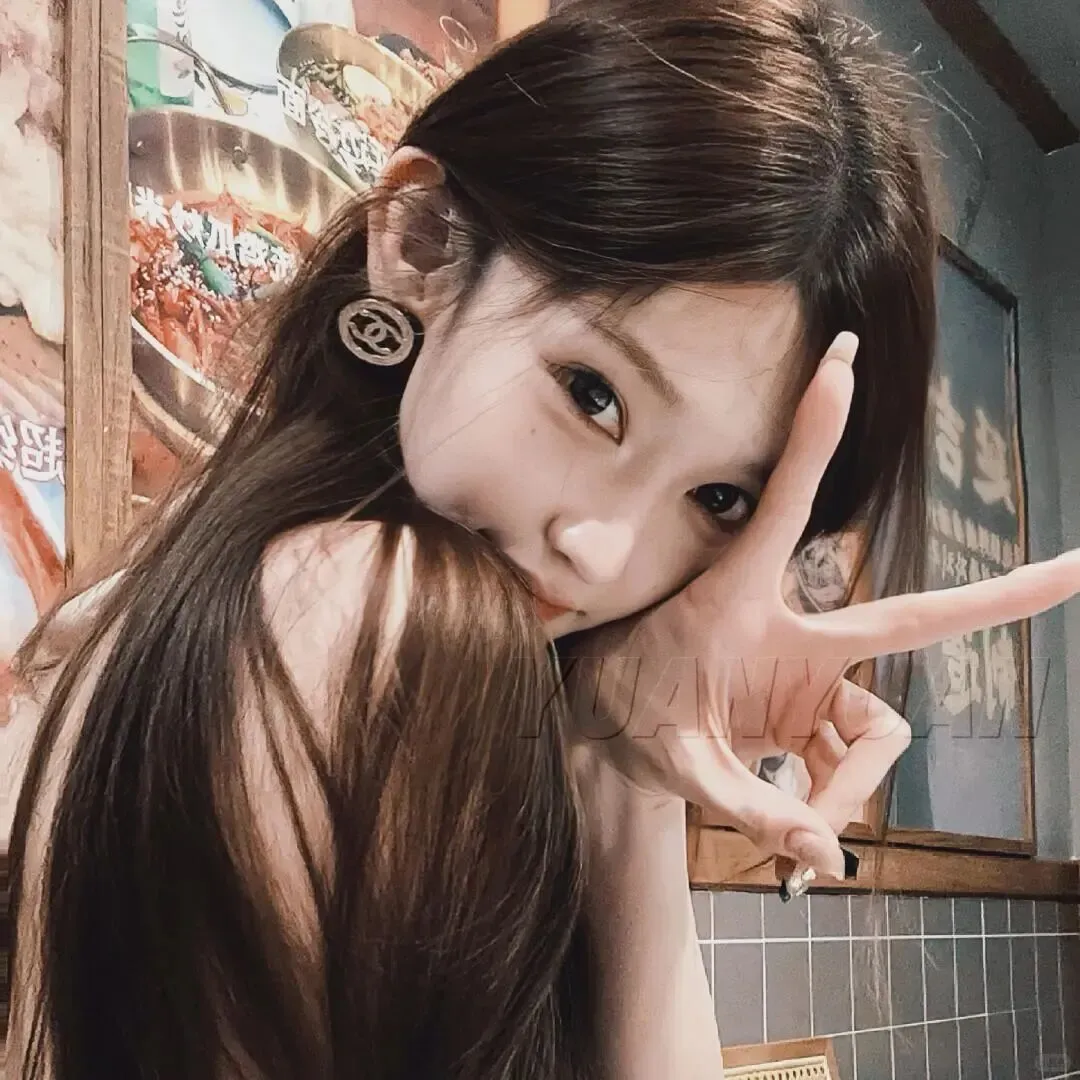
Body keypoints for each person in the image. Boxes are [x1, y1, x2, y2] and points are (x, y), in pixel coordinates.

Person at [4, 0, 1080, 1077]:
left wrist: (625, 766)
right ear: (423, 243)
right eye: (592, 395)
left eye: (718, 499)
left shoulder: (229, 584)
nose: (604, 552)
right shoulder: (359, 609)